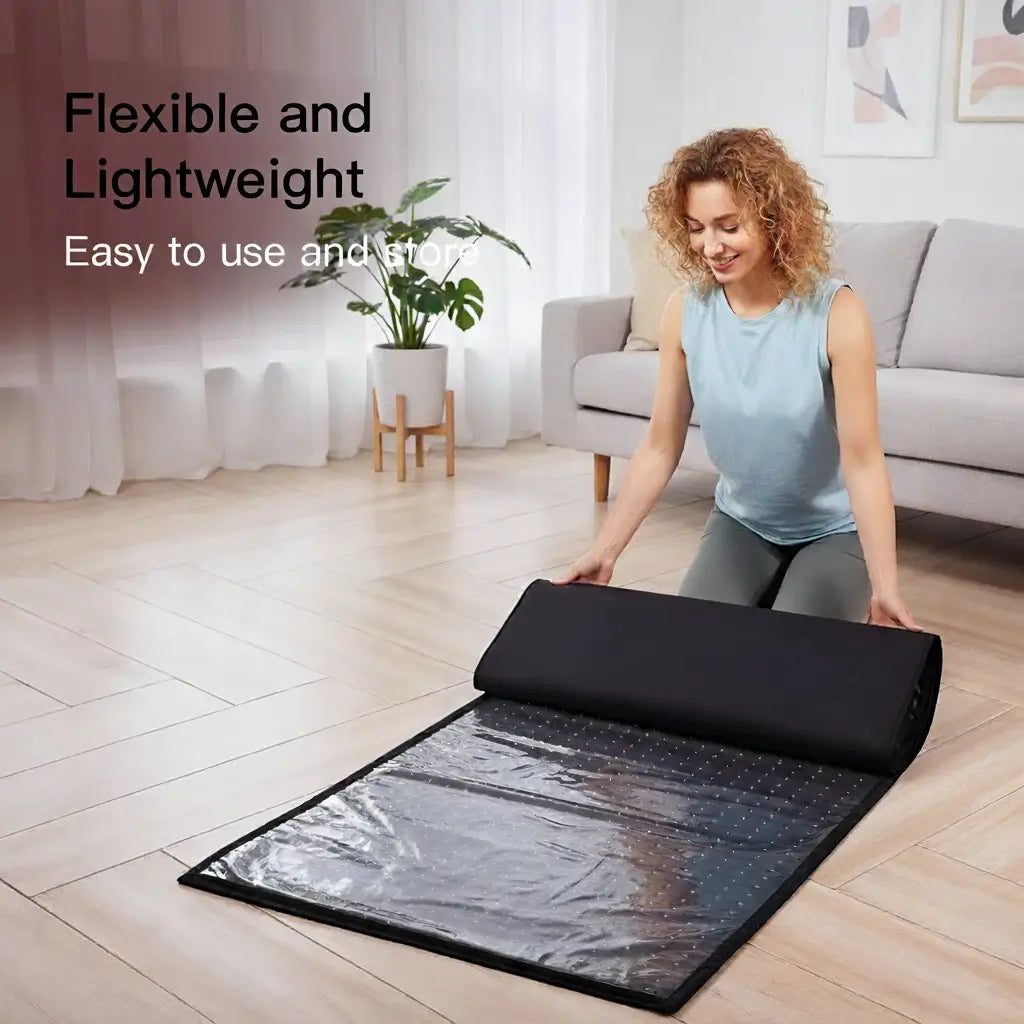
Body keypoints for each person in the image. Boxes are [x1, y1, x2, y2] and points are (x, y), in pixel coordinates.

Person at [555, 127, 918, 629]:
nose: (711, 246)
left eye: (728, 226)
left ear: (773, 218)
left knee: (784, 669)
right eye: (696, 227)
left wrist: (886, 589)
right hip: (741, 523)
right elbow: (660, 447)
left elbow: (862, 459)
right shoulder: (685, 311)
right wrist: (605, 551)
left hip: (833, 530)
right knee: (693, 653)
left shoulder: (837, 312)